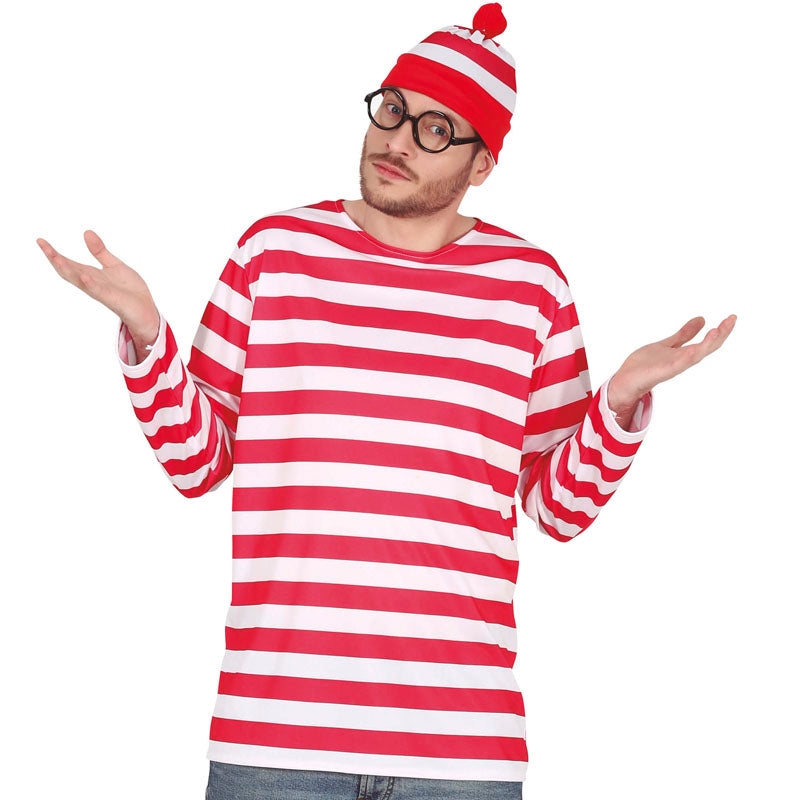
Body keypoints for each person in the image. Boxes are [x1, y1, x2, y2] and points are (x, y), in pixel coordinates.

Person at [36, 3, 736, 799]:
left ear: (481, 164)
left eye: (436, 129)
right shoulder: (274, 254)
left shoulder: (530, 287)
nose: (399, 140)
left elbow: (558, 510)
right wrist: (147, 336)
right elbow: (197, 464)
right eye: (394, 110)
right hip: (275, 739)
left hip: (462, 754)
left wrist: (619, 402)